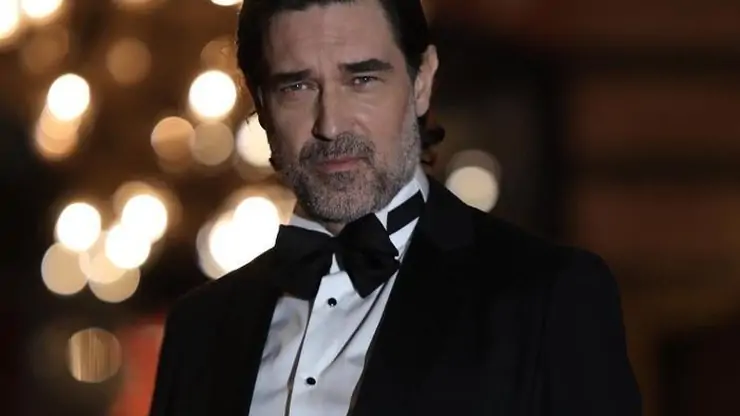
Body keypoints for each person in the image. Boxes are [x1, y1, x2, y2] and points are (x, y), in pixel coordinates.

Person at [149, 0, 642, 415]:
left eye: (362, 79)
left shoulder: (549, 296)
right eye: (297, 87)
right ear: (260, 104)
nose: (330, 124)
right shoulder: (199, 329)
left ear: (421, 80)